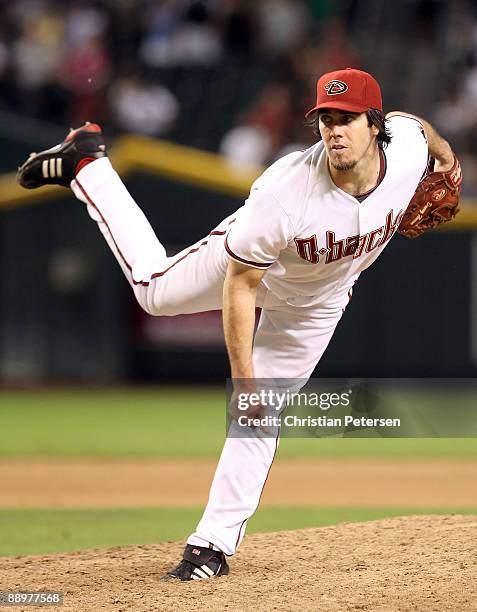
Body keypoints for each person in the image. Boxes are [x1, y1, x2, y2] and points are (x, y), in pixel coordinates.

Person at [17, 68, 456, 581]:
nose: (335, 131)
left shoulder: (405, 149)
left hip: (317, 302)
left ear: (375, 124)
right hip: (249, 268)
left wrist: (446, 156)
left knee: (263, 414)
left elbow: (419, 128)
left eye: (349, 119)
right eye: (326, 119)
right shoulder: (284, 193)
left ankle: (210, 546)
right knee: (154, 294)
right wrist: (245, 381)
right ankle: (87, 163)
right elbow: (241, 286)